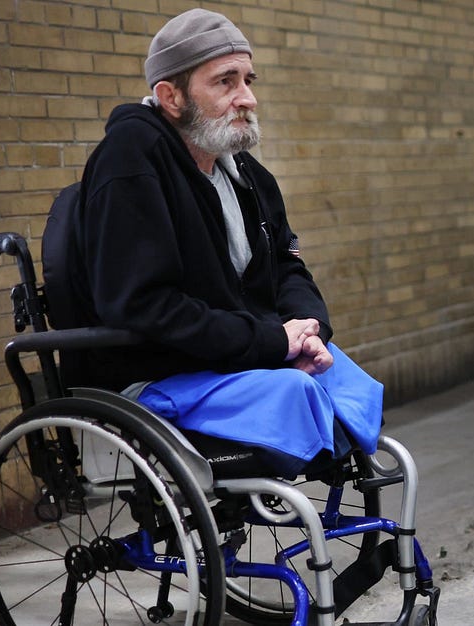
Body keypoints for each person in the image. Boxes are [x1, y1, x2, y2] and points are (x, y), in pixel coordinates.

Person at [65, 9, 381, 474]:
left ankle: (377, 540)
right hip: (159, 375)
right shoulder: (130, 159)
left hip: (237, 361)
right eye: (225, 82)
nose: (247, 98)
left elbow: (288, 267)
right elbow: (143, 305)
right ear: (170, 96)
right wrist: (273, 344)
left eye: (248, 79)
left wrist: (307, 332)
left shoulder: (248, 174)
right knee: (297, 392)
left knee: (347, 378)